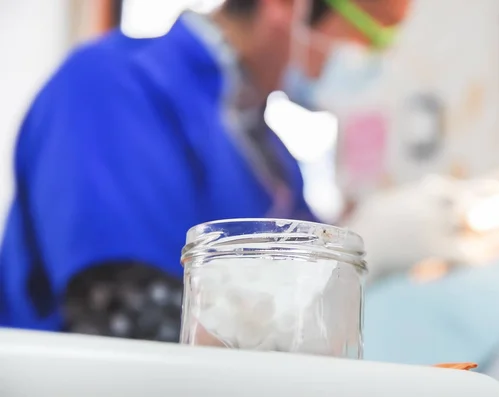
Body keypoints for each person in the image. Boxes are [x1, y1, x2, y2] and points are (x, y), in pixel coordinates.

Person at [0, 0, 409, 341]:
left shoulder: (271, 157)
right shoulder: (112, 86)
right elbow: (129, 317)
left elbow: (308, 316)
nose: (368, 61)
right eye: (370, 37)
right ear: (287, 6)